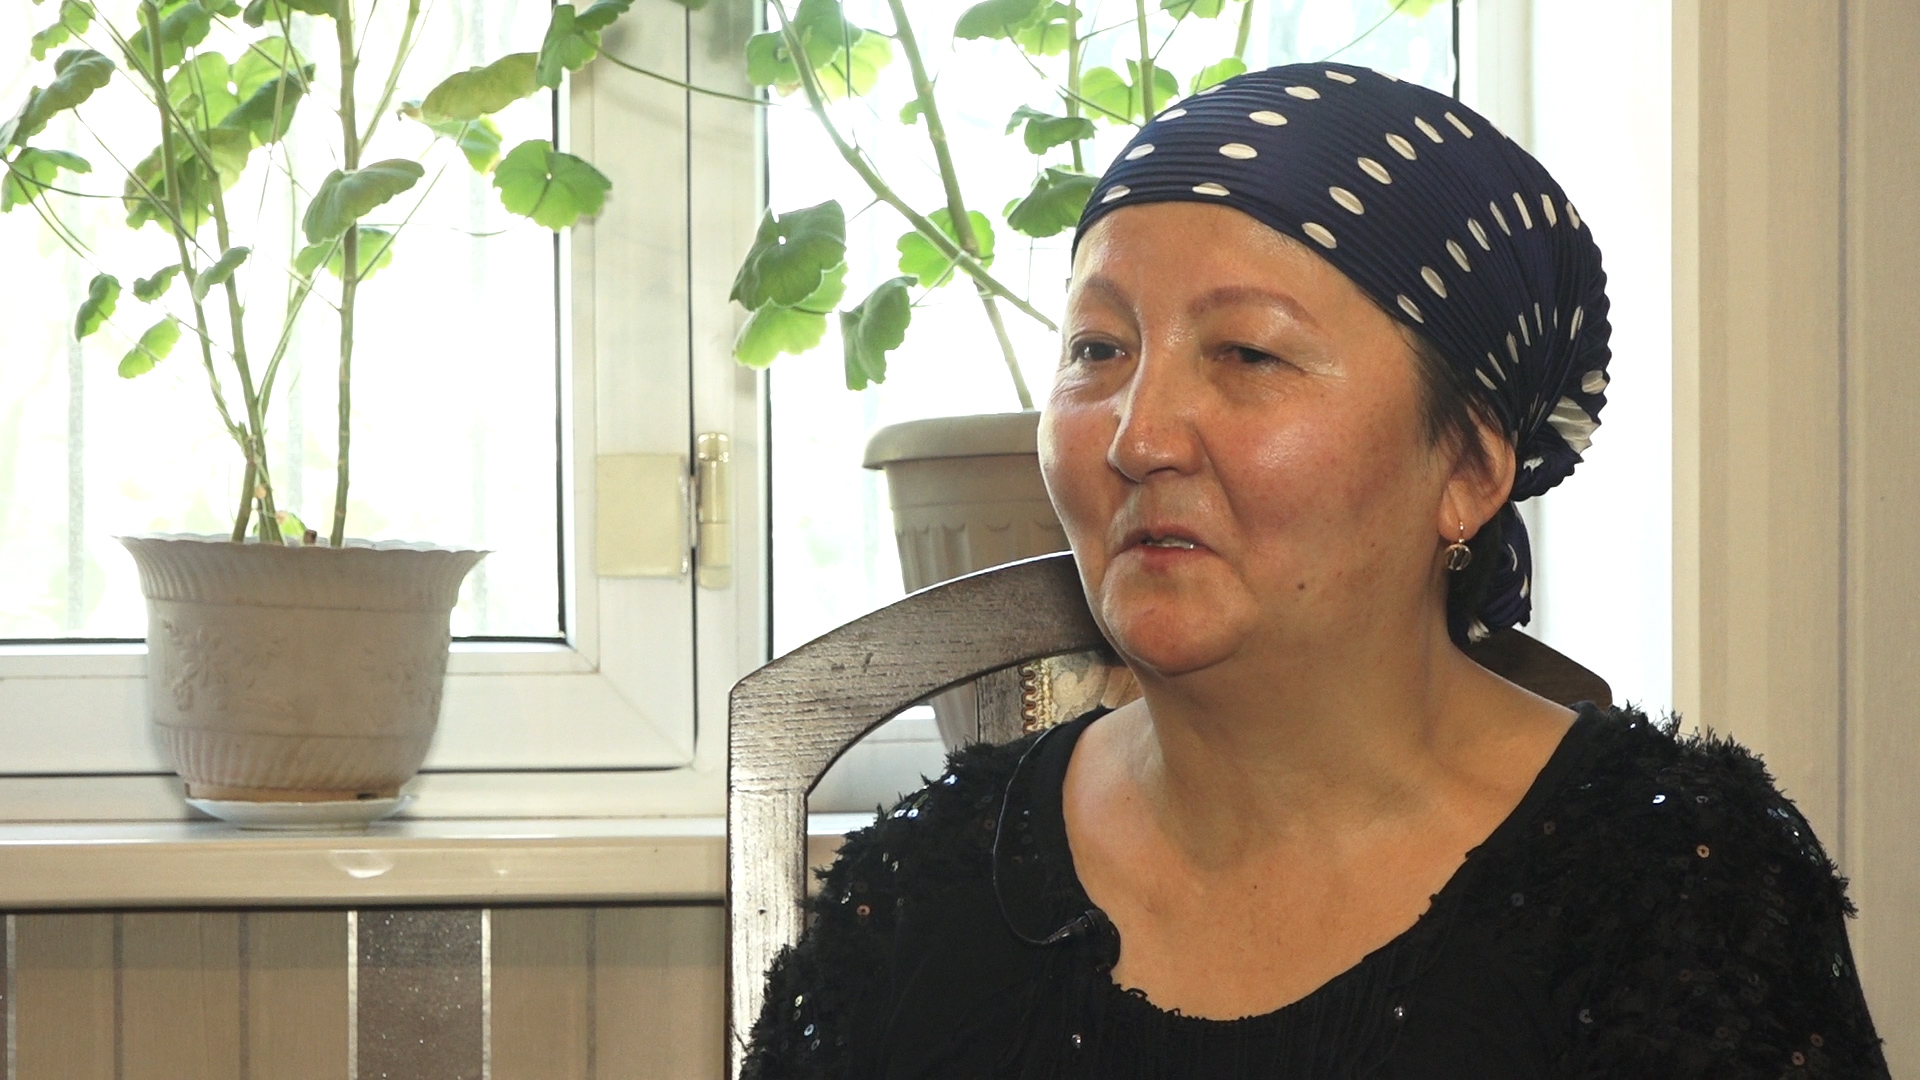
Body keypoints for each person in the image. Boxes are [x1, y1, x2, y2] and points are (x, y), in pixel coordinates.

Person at [742, 63, 1888, 1079]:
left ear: (1468, 469)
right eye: (1098, 349)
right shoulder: (923, 893)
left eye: (1247, 352)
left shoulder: (1675, 893)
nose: (1138, 436)